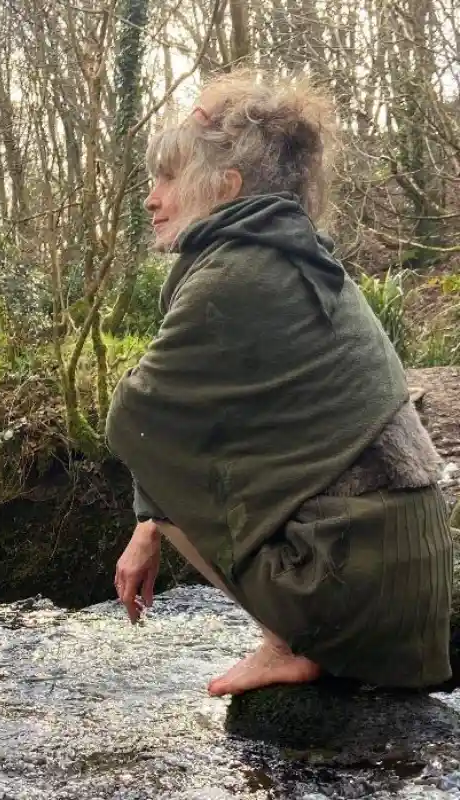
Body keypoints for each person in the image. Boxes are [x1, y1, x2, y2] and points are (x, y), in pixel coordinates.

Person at [105, 69, 454, 698]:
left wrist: (150, 521)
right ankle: (303, 635)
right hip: (408, 581)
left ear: (226, 187)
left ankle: (287, 642)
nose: (152, 199)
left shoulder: (233, 275)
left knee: (159, 457)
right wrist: (146, 525)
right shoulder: (295, 256)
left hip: (350, 583)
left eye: (168, 178)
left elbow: (137, 419)